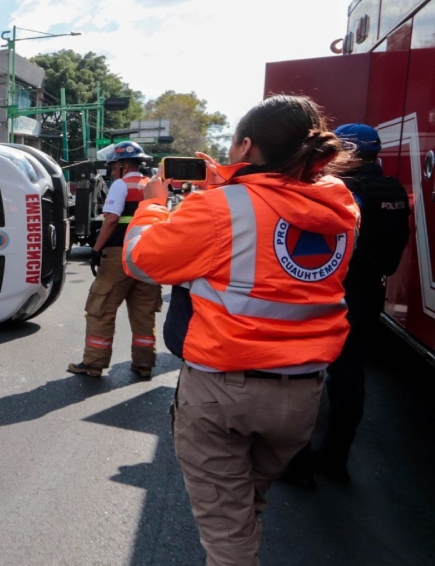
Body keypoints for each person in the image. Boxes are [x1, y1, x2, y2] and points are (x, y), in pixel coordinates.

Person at [122, 95, 358, 566]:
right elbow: (270, 226)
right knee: (244, 505)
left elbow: (141, 261)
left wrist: (152, 206)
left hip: (223, 392)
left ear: (246, 146)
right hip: (302, 397)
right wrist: (232, 185)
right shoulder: (341, 205)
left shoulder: (220, 208)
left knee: (228, 535)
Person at [284, 123, 411, 486]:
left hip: (330, 293)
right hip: (369, 293)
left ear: (349, 153)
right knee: (350, 376)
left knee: (303, 374)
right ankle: (336, 459)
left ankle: (296, 461)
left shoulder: (342, 191)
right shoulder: (392, 190)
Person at [68, 141, 162, 379]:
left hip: (120, 255)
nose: (111, 171)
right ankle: (144, 364)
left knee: (101, 308)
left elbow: (111, 220)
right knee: (144, 312)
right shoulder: (153, 185)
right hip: (148, 256)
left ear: (123, 165)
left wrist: (96, 249)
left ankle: (93, 363)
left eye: (112, 167)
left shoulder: (121, 185)